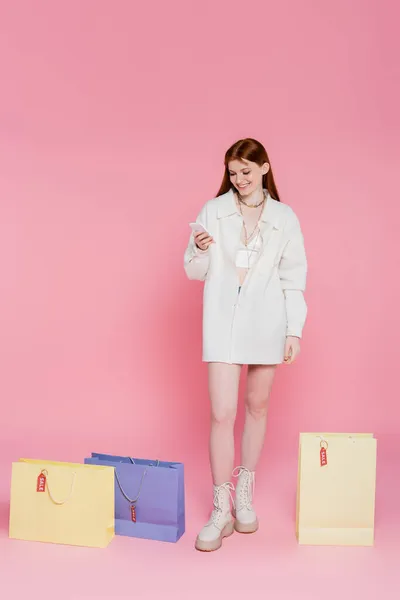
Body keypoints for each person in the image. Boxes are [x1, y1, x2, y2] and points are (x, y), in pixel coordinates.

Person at [184, 138, 308, 552]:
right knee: (222, 412)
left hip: (267, 322)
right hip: (222, 321)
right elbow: (195, 270)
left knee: (257, 406)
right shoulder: (213, 210)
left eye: (246, 172)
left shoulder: (284, 217)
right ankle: (220, 507)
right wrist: (198, 250)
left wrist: (294, 330)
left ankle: (244, 493)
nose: (238, 180)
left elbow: (293, 277)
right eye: (233, 173)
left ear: (265, 169)